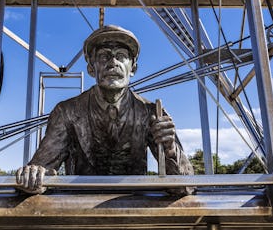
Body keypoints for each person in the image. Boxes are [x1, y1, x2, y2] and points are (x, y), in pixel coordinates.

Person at [16, 25, 194, 193]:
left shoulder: (151, 112)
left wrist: (170, 149)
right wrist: (33, 176)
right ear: (91, 69)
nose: (113, 63)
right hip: (78, 212)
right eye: (103, 56)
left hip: (135, 211)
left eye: (121, 56)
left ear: (133, 68)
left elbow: (185, 187)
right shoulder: (67, 112)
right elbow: (40, 173)